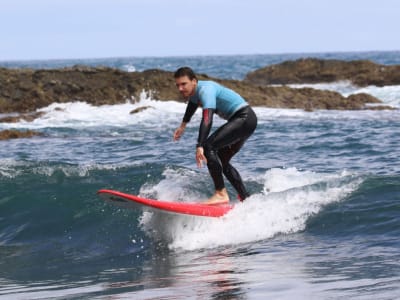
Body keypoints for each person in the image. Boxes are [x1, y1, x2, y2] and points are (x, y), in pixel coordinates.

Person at [173, 67, 257, 205]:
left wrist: (200, 145)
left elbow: (207, 118)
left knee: (208, 147)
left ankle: (220, 193)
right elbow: (192, 106)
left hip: (244, 118)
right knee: (222, 161)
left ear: (194, 81)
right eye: (178, 85)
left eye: (183, 84)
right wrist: (182, 126)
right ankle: (246, 198)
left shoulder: (206, 90)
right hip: (246, 121)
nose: (180, 88)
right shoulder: (194, 93)